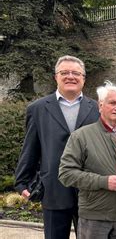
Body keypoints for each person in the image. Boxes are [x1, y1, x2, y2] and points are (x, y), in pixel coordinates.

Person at [14, 55, 100, 239]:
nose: (70, 76)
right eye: (65, 72)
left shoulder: (97, 109)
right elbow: (31, 147)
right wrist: (21, 181)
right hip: (53, 189)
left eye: (76, 73)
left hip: (90, 192)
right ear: (56, 77)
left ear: (83, 78)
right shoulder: (37, 108)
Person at [58, 81, 116, 239]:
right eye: (112, 103)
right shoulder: (81, 136)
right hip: (94, 217)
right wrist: (103, 182)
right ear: (100, 106)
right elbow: (66, 173)